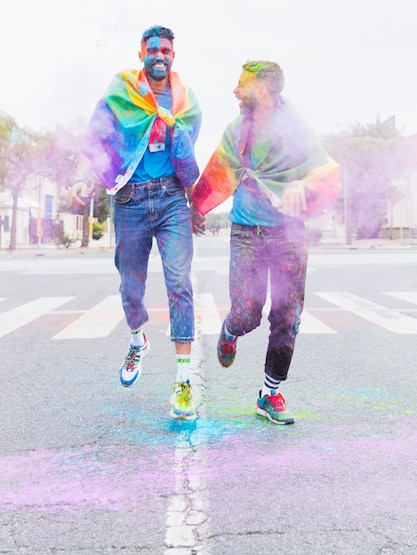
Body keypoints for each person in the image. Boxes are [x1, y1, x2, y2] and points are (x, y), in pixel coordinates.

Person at [192, 60, 341, 425]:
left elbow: (324, 172)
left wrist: (302, 187)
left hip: (289, 232)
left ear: (261, 90)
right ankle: (231, 330)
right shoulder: (237, 129)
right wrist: (196, 207)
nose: (234, 89)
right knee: (247, 312)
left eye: (241, 83)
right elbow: (219, 171)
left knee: (287, 317)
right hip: (246, 231)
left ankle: (269, 393)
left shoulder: (296, 128)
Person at [69, 25, 202, 420]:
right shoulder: (120, 93)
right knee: (130, 287)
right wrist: (81, 176)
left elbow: (189, 157)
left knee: (180, 282)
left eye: (165, 49)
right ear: (141, 54)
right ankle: (136, 339)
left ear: (173, 56)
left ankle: (183, 382)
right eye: (152, 49)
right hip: (129, 200)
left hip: (171, 200)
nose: (159, 54)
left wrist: (197, 203)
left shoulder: (187, 102)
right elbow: (94, 139)